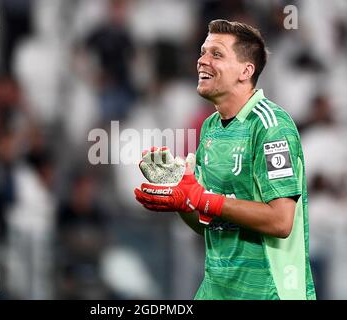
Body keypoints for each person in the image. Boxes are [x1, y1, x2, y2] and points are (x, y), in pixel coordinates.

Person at [134, 19, 316, 300]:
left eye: (216, 54)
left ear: (246, 70)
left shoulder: (271, 125)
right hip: (217, 290)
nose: (201, 61)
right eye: (202, 52)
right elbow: (208, 223)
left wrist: (205, 200)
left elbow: (281, 221)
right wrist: (185, 201)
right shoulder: (210, 129)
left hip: (268, 292)